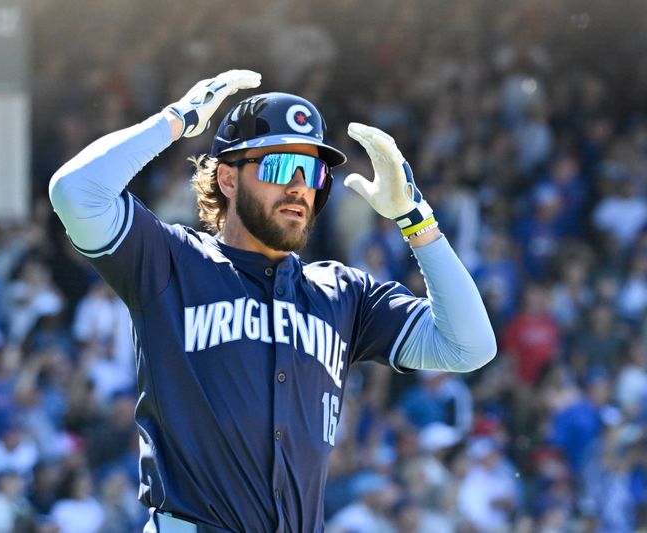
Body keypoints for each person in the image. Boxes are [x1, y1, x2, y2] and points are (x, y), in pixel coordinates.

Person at [49, 70, 496, 532]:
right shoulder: (172, 262)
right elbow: (75, 192)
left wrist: (415, 219)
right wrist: (176, 120)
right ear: (227, 178)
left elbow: (469, 346)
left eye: (314, 172)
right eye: (281, 166)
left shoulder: (345, 293)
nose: (301, 186)